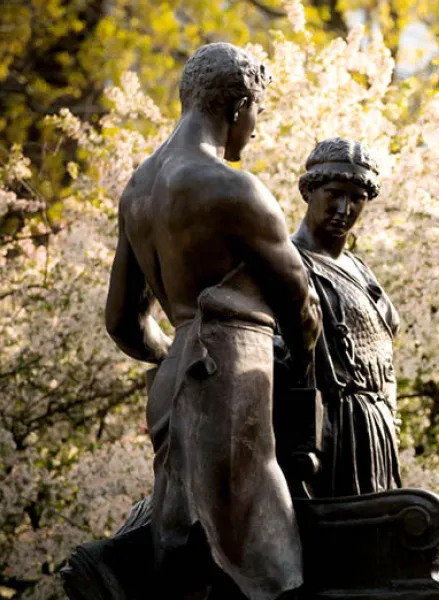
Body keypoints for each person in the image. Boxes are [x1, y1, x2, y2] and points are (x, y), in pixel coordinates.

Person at [104, 43, 320, 600]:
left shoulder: (137, 191)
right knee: (266, 566)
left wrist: (178, 353)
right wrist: (304, 373)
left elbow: (122, 321)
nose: (256, 128)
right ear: (239, 104)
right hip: (234, 384)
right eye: (258, 111)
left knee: (184, 560)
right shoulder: (233, 188)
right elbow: (302, 308)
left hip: (175, 384)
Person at [275, 137, 402, 498]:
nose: (345, 209)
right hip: (329, 433)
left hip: (376, 429)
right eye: (334, 194)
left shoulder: (361, 271)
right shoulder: (285, 264)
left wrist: (390, 419)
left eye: (357, 198)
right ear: (308, 192)